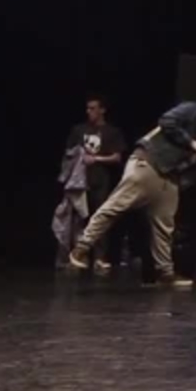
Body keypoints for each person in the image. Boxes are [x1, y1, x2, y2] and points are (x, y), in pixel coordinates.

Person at [68, 101, 196, 286]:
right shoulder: (194, 111)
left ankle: (165, 274)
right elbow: (167, 121)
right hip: (148, 163)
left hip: (169, 177)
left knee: (165, 227)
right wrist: (190, 142)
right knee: (115, 207)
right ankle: (81, 249)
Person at [64, 95, 127, 272]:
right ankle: (78, 256)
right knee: (79, 218)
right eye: (87, 108)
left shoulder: (112, 132)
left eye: (93, 108)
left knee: (100, 217)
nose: (89, 112)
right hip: (79, 180)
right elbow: (69, 152)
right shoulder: (79, 130)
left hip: (100, 180)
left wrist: (96, 159)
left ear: (102, 110)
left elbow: (117, 157)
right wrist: (78, 156)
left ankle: (100, 257)